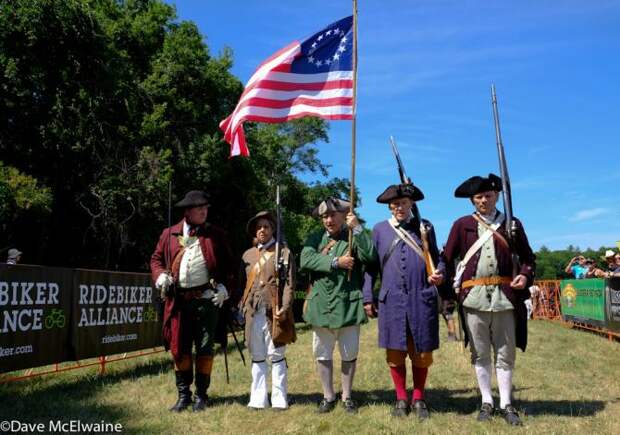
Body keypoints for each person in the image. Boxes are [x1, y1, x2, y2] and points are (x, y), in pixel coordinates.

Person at [443, 174, 536, 426]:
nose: (484, 200)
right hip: (473, 299)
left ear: (497, 196)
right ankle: (487, 400)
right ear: (472, 200)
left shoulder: (512, 224)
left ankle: (506, 403)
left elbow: (528, 259)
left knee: (505, 354)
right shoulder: (461, 225)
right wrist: (450, 290)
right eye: (479, 197)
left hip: (505, 298)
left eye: (488, 195)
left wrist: (525, 277)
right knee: (480, 352)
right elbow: (446, 258)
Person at [362, 183, 450, 419]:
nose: (399, 207)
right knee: (395, 353)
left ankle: (419, 399)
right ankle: (401, 398)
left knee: (422, 353)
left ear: (412, 204)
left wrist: (439, 272)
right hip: (392, 300)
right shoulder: (379, 229)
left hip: (421, 297)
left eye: (403, 203)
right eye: (395, 204)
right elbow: (371, 267)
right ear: (389, 207)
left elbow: (437, 257)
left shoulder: (425, 226)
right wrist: (368, 297)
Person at [151, 190, 235, 412]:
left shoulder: (216, 234)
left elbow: (230, 266)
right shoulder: (168, 234)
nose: (204, 212)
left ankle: (201, 396)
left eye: (206, 208)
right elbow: (156, 259)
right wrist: (160, 275)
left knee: (205, 347)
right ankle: (183, 395)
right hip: (178, 302)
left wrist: (225, 288)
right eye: (200, 209)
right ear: (187, 211)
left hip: (207, 301)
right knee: (180, 348)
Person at [300, 197, 376, 414]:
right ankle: (328, 396)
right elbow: (306, 260)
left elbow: (371, 257)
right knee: (322, 354)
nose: (329, 220)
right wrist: (335, 262)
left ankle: (347, 396)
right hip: (321, 304)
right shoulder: (314, 238)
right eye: (325, 216)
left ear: (344, 216)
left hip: (348, 304)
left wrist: (358, 230)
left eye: (333, 215)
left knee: (349, 353)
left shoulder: (354, 236)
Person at [239, 211, 296, 410]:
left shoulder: (284, 252)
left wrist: (285, 307)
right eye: (259, 227)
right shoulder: (247, 255)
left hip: (275, 312)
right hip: (253, 313)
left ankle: (280, 399)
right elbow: (242, 284)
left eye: (266, 226)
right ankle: (257, 399)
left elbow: (289, 285)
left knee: (277, 355)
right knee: (257, 356)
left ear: (273, 230)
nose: (262, 230)